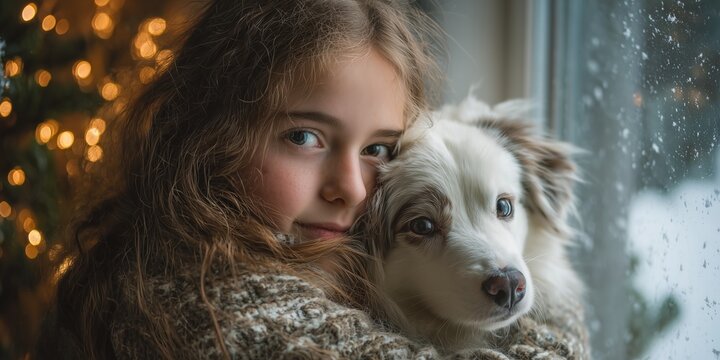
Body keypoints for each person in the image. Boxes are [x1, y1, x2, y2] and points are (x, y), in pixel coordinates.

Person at [36, 1, 588, 359]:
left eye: (377, 147)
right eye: (304, 137)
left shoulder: (324, 264)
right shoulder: (211, 313)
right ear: (211, 138)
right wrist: (560, 314)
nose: (349, 187)